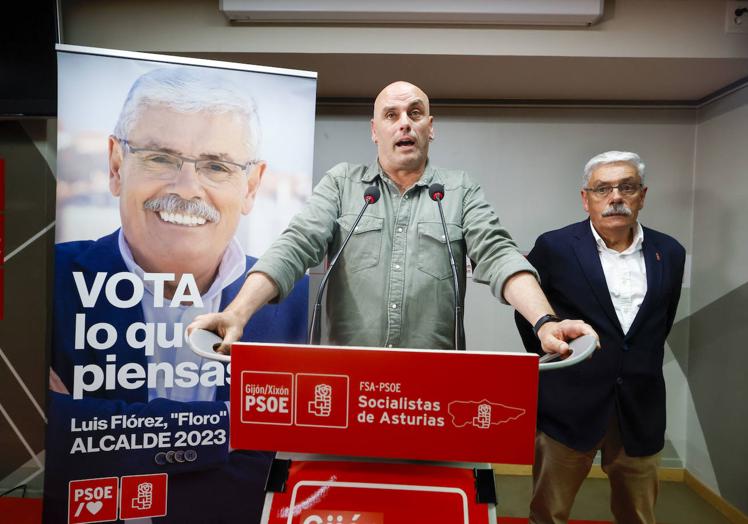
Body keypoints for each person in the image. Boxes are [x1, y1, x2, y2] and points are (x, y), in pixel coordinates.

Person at [45, 67, 308, 523]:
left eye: (216, 166)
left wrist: (99, 426)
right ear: (115, 166)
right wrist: (230, 430)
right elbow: (37, 435)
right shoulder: (49, 279)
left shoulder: (299, 302)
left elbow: (287, 465)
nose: (187, 189)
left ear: (250, 186)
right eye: (160, 157)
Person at [190, 80, 596, 356]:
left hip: (432, 387)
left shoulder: (458, 190)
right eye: (391, 114)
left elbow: (500, 255)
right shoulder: (343, 184)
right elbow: (294, 246)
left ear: (429, 128)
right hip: (347, 383)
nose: (404, 122)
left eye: (415, 113)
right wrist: (237, 313)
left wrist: (545, 322)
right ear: (375, 130)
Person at [514, 151, 686, 524]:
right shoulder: (555, 247)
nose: (616, 197)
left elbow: (661, 322)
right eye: (603, 188)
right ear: (585, 197)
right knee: (548, 512)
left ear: (642, 195)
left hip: (640, 407)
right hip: (567, 406)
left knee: (638, 514)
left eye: (627, 187)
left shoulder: (670, 252)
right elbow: (529, 319)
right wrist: (563, 362)